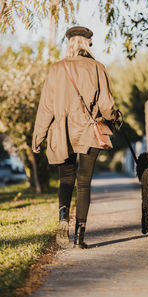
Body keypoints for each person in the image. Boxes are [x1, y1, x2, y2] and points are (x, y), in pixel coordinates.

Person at [32, 26, 119, 249]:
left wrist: (38, 137)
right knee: (84, 183)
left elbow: (46, 107)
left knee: (66, 180)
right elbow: (106, 105)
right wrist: (116, 118)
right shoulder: (98, 68)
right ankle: (80, 237)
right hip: (89, 132)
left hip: (62, 132)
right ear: (87, 43)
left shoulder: (56, 69)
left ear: (70, 44)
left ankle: (63, 219)